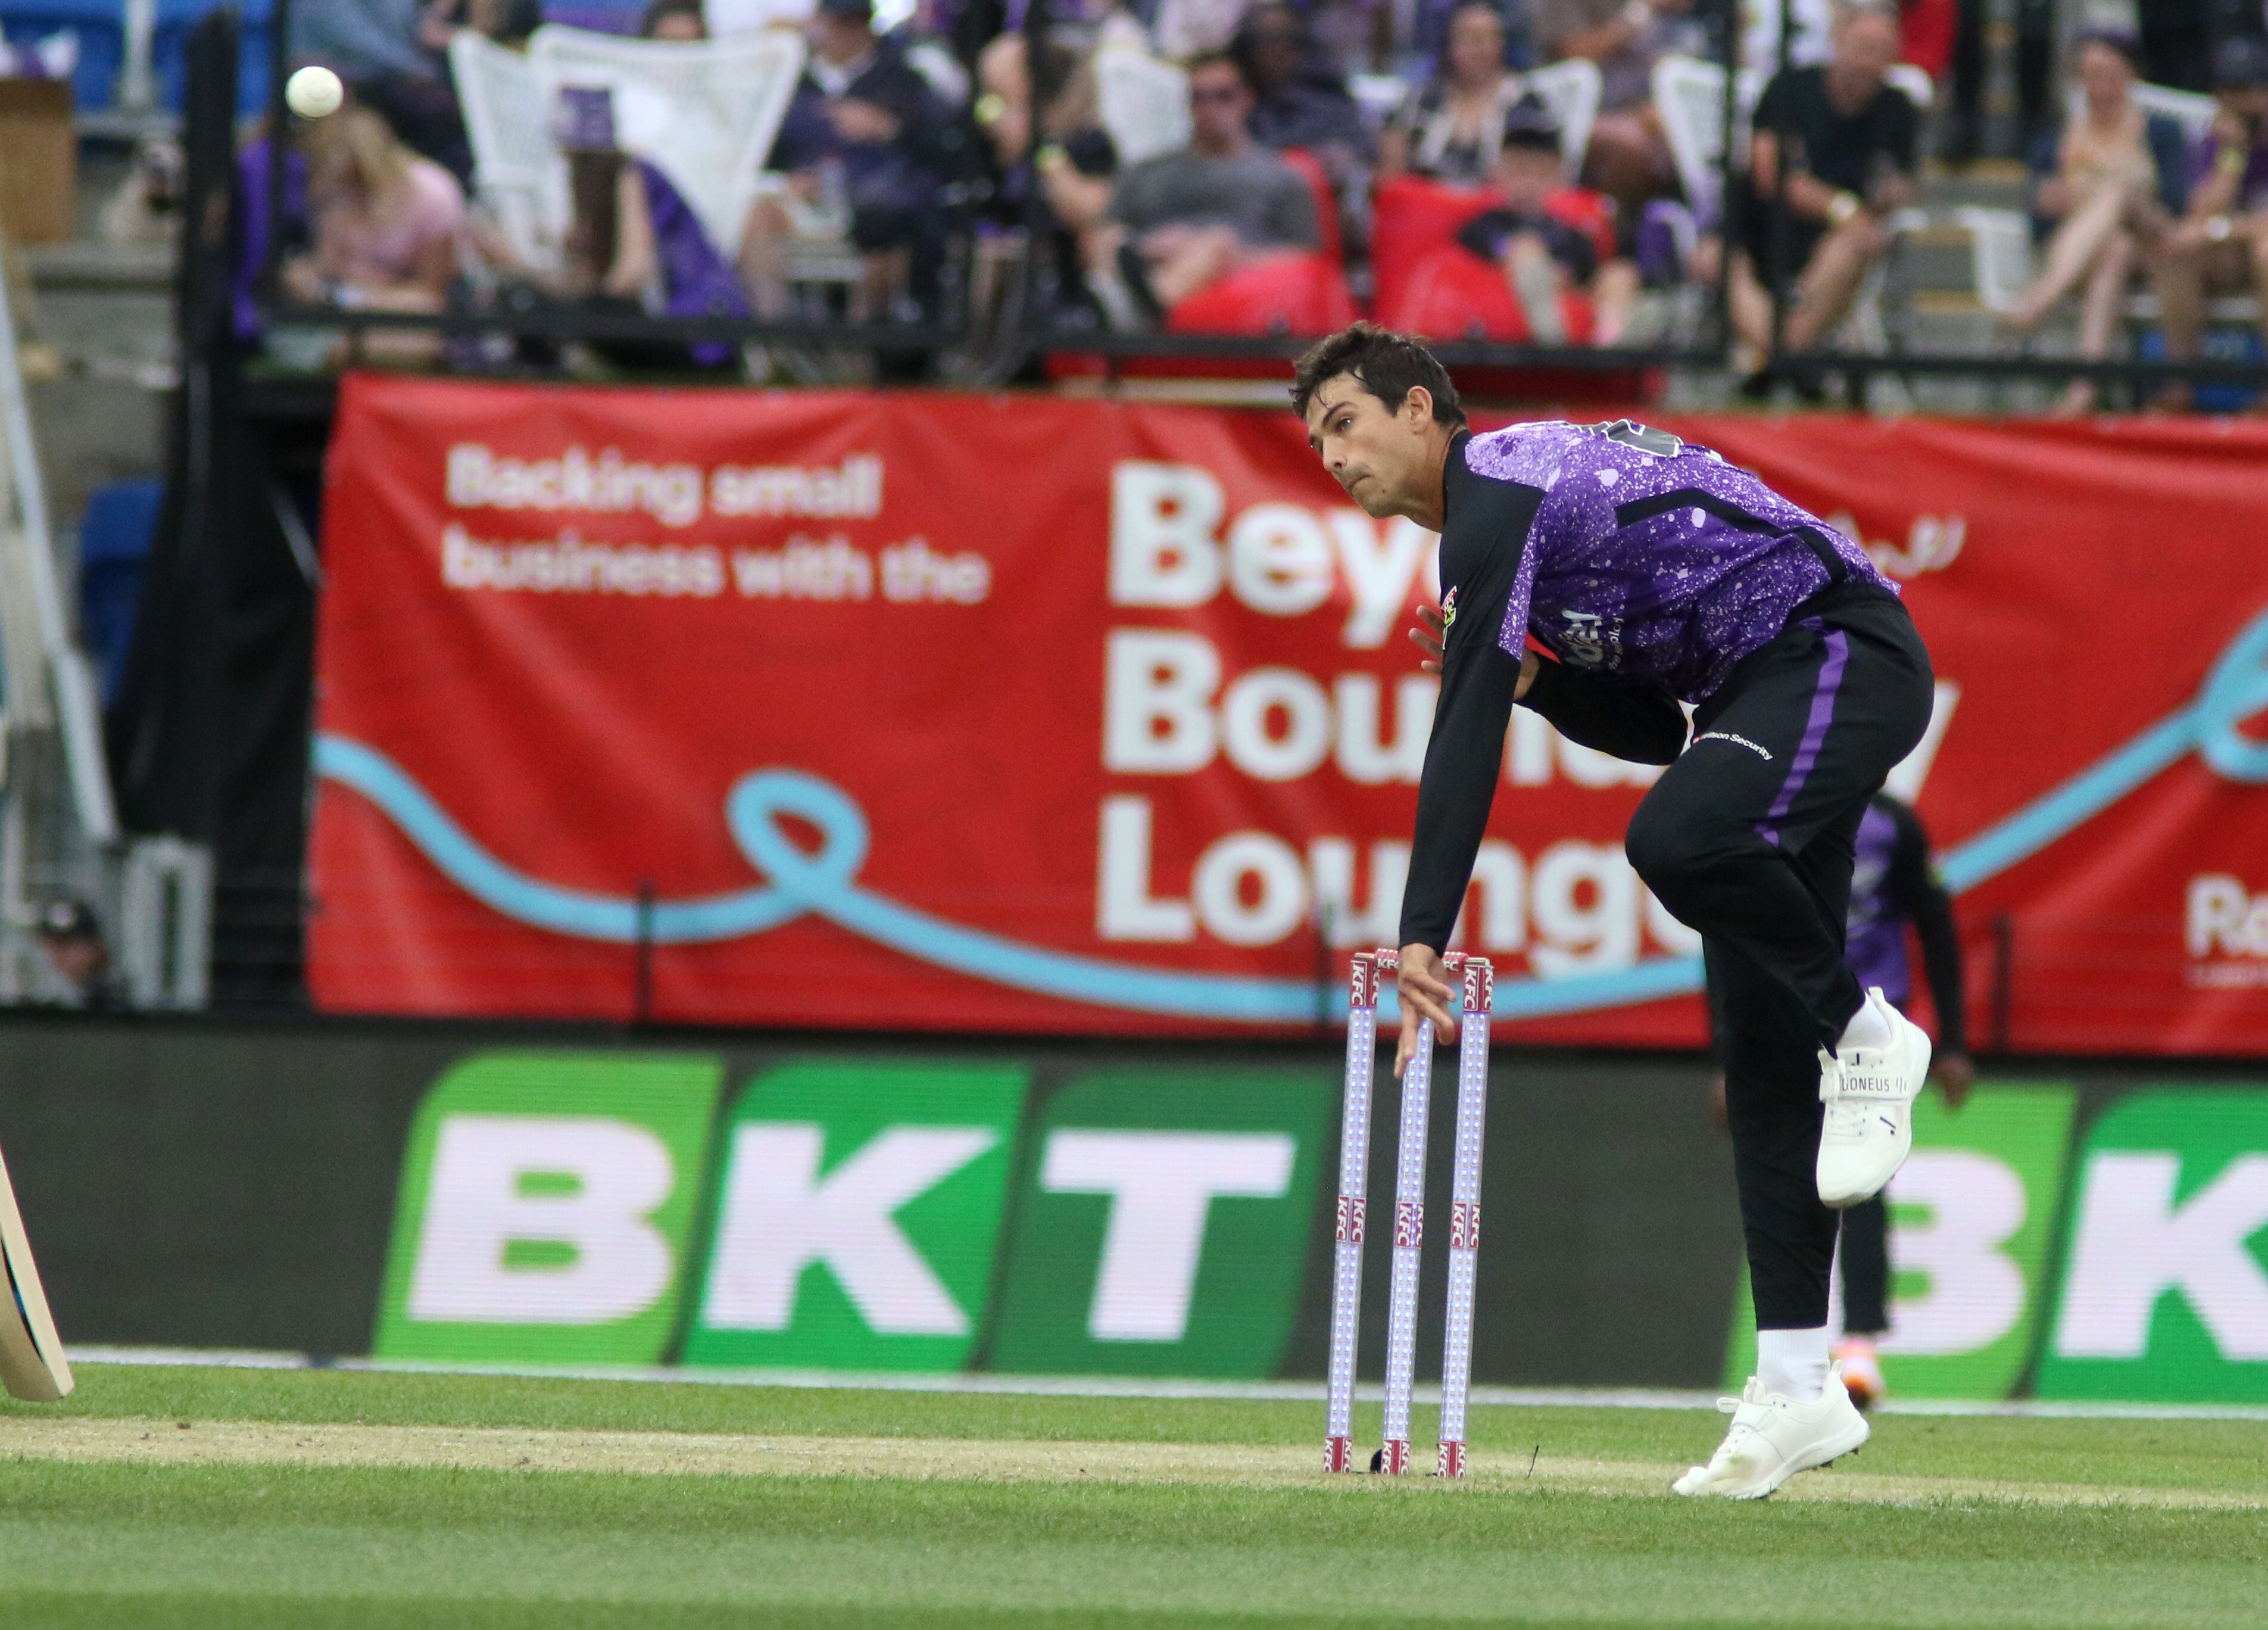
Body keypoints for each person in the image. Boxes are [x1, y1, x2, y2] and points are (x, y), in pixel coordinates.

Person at [1293, 323, 1935, 1500]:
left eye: (1344, 423)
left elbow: (1462, 729)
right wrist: (1545, 684)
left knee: (1678, 837)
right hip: (1755, 693)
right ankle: (1797, 1386)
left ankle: (1866, 1036)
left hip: (1841, 647)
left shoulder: (1492, 500)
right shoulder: (1497, 535)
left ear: (1422, 411)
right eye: (1314, 441)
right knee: (1752, 1035)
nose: (1330, 457)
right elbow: (1649, 727)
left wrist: (1421, 929)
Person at [1707, 790, 1975, 1409]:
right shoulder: (1766, 815)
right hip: (1783, 1012)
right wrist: (1723, 1057)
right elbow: (1725, 937)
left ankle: (1858, 1344)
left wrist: (1955, 1041)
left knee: (1862, 1175)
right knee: (1785, 1165)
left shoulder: (1891, 824)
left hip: (1871, 1018)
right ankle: (1790, 1349)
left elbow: (1933, 924)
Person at [476, 84, 750, 372]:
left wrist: (576, 311)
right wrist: (515, 266)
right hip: (661, 328)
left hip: (698, 336)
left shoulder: (631, 175)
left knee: (588, 314)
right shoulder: (590, 187)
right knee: (528, 304)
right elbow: (582, 283)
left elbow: (632, 275)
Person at [1730, 0, 1917, 395]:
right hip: (1763, 229)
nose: (1869, 63)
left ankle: (1777, 360)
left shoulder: (1897, 107)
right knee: (1720, 261)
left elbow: (1902, 183)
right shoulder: (1789, 88)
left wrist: (1889, 195)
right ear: (1837, 41)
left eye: (1881, 53)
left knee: (1852, 245)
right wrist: (1840, 207)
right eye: (1863, 48)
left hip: (1834, 250)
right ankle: (1792, 361)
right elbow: (1770, 176)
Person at [1998, 31, 2186, 418]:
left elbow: (2174, 207)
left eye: (2109, 75)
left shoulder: (2161, 134)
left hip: (2150, 245)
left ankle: (2042, 297)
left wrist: (2103, 194)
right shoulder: (2055, 140)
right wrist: (2049, 204)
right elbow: (2036, 220)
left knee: (2117, 193)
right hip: (2084, 255)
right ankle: (2084, 386)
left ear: (2131, 77)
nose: (2100, 87)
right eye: (2090, 76)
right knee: (2113, 249)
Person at [1084, 51, 1318, 325]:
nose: (1211, 108)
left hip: (1231, 270)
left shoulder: (1279, 175)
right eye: (1200, 98)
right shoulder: (1148, 171)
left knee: (1214, 243)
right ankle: (1127, 303)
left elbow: (1306, 256)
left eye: (1223, 96)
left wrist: (1230, 254)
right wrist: (1149, 246)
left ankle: (1142, 311)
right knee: (1108, 239)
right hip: (1148, 259)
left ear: (1246, 99)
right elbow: (1106, 232)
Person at [758, 0, 955, 322]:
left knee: (890, 216)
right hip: (799, 201)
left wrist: (888, 127)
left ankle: (869, 333)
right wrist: (787, 179)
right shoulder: (789, 81)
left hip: (873, 205)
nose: (844, 33)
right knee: (758, 215)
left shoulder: (902, 78)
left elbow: (939, 147)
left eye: (855, 23)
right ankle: (773, 333)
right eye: (837, 22)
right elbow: (764, 150)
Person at [282, 98, 465, 363]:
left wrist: (364, 293)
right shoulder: (337, 195)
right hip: (342, 308)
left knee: (419, 314)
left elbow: (432, 291)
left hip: (406, 313)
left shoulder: (434, 194)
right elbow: (325, 269)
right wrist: (306, 278)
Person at [1452, 96, 1637, 344]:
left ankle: (1610, 345)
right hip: (1518, 308)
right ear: (1498, 172)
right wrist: (1534, 264)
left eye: (1539, 172)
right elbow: (1474, 253)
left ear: (1557, 177)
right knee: (1526, 251)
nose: (1528, 182)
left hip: (1574, 298)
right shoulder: (1487, 223)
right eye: (1519, 170)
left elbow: (1587, 271)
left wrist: (1567, 274)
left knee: (1621, 273)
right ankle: (1554, 346)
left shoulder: (1568, 230)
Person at [2147, 35, 2268, 413]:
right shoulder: (2214, 141)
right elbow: (2200, 214)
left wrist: (2220, 230)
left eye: (2247, 90)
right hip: (2235, 254)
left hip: (2260, 252)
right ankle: (2181, 382)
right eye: (2227, 90)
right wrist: (2233, 156)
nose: (2237, 101)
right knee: (2177, 251)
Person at [1533, 0, 1696, 219]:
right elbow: (1575, 53)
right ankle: (1613, 234)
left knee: (1685, 133)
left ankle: (1684, 231)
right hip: (1578, 113)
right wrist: (1636, 16)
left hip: (1643, 109)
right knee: (1631, 144)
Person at [1379, 0, 1530, 186]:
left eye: (1485, 39)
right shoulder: (1420, 99)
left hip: (1494, 206)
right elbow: (1390, 170)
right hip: (1428, 202)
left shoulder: (1526, 101)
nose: (1477, 50)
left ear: (1501, 45)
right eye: (1469, 39)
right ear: (1450, 44)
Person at [1231, 2, 1374, 188]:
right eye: (1265, 40)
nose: (1277, 51)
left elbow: (1367, 161)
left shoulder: (1329, 102)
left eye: (1288, 40)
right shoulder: (1227, 101)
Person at [32, 899, 122, 1011]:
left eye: (65, 944)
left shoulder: (121, 994)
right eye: (51, 946)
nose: (58, 955)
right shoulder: (46, 996)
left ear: (94, 946)